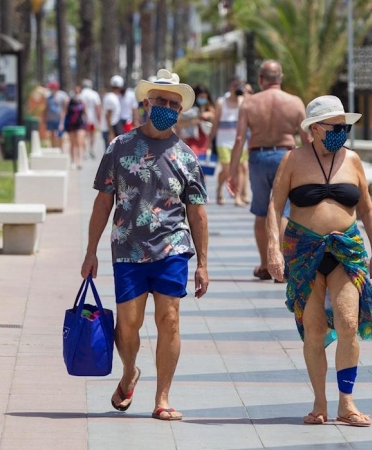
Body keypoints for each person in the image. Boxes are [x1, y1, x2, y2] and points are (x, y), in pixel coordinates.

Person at [81, 68, 209, 422]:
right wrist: (90, 251)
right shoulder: (120, 147)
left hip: (172, 248)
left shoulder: (186, 157)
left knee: (169, 320)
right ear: (146, 103)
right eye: (160, 101)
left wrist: (202, 263)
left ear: (180, 110)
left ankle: (163, 398)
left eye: (173, 103)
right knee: (128, 325)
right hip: (128, 250)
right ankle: (129, 371)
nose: (167, 107)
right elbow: (103, 203)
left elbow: (197, 214)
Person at [267, 95, 372, 427]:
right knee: (314, 330)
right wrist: (273, 250)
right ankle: (319, 402)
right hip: (304, 251)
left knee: (348, 323)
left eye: (344, 127)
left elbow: (367, 209)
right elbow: (275, 206)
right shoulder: (292, 160)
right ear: (315, 129)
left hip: (345, 249)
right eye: (335, 127)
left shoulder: (354, 160)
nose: (341, 132)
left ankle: (346, 403)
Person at [227, 60, 309, 281]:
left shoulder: (249, 104)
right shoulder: (295, 102)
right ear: (280, 78)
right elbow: (307, 139)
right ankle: (282, 265)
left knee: (262, 210)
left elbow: (238, 138)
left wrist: (233, 172)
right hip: (286, 156)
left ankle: (266, 264)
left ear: (261, 79)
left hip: (258, 157)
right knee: (283, 211)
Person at [213, 78, 250, 206]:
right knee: (227, 170)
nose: (237, 88)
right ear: (230, 86)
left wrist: (245, 97)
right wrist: (209, 140)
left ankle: (237, 196)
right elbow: (216, 122)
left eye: (240, 86)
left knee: (240, 168)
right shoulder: (221, 102)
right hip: (223, 141)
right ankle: (219, 189)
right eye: (235, 85)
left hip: (240, 141)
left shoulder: (244, 102)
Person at [176, 85, 215, 159]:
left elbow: (216, 119)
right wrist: (192, 121)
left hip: (206, 141)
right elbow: (178, 122)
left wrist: (210, 115)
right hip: (192, 140)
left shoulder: (209, 107)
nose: (203, 99)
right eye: (201, 97)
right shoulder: (189, 109)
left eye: (205, 97)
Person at [63, 86, 87, 169]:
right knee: (72, 143)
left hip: (80, 123)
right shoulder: (68, 101)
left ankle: (80, 161)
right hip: (71, 124)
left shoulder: (82, 101)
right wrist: (62, 123)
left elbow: (85, 112)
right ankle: (73, 161)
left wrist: (87, 122)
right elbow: (65, 112)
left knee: (80, 143)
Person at [80, 78, 102, 159]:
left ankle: (85, 150)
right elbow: (98, 107)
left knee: (84, 135)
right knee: (92, 134)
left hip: (83, 118)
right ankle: (91, 149)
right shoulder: (94, 94)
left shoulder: (81, 94)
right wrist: (99, 119)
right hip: (93, 118)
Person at [44, 81, 69, 149]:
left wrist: (62, 120)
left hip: (59, 118)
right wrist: (45, 119)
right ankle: (53, 148)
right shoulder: (48, 96)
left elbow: (64, 108)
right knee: (52, 134)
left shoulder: (62, 95)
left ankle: (60, 148)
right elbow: (46, 108)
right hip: (50, 118)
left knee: (60, 135)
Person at [102, 76, 123, 145]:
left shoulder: (111, 97)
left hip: (112, 128)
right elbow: (108, 116)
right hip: (111, 129)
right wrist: (111, 133)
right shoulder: (111, 98)